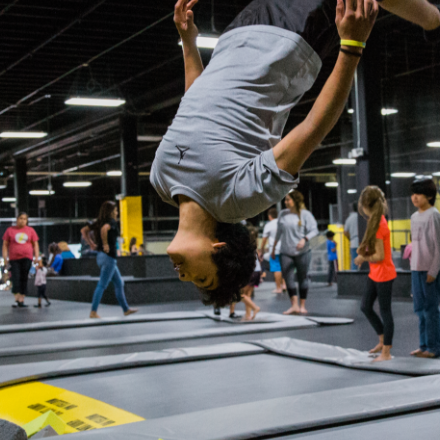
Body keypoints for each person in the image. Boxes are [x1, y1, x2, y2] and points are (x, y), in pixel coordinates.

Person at [153, 0, 439, 309]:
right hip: (290, 38)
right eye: (201, 279)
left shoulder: (160, 180)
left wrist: (188, 44)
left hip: (236, 34)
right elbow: (311, 128)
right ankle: (434, 22)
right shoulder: (237, 199)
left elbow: (196, 102)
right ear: (218, 249)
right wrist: (352, 46)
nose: (184, 276)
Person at [352, 186, 397, 362]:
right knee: (365, 306)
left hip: (384, 274)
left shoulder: (379, 224)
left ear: (365, 205)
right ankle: (381, 340)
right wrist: (364, 250)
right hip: (375, 274)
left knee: (386, 312)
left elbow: (380, 256)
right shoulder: (375, 220)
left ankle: (386, 353)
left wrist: (362, 258)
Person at [87, 201, 139, 319]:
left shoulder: (99, 222)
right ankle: (93, 312)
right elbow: (105, 229)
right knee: (102, 285)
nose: (117, 213)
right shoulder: (111, 222)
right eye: (115, 210)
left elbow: (84, 230)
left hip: (100, 256)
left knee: (119, 283)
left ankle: (126, 309)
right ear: (111, 212)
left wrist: (90, 243)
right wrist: (105, 244)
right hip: (109, 258)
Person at [271, 191, 318, 315]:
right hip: (286, 251)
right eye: (285, 200)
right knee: (288, 278)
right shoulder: (282, 214)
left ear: (295, 201)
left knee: (303, 278)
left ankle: (302, 305)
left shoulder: (305, 214)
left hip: (302, 252)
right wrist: (273, 248)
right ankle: (294, 305)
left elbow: (314, 230)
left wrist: (304, 239)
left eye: (288, 200)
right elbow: (278, 232)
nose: (286, 202)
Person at [409, 178, 440, 359]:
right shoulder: (414, 217)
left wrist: (433, 271)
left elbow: (438, 247)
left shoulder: (434, 215)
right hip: (416, 269)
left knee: (430, 311)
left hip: (429, 270)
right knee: (419, 310)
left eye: (418, 194)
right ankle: (423, 345)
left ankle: (434, 347)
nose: (414, 197)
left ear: (429, 195)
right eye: (412, 194)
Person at [2, 212, 40, 308]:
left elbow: (35, 244)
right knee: (15, 277)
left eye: (24, 219)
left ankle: (21, 299)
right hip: (14, 258)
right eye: (21, 218)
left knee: (24, 278)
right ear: (17, 219)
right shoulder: (10, 230)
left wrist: (36, 257)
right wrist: (5, 258)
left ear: (26, 221)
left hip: (27, 257)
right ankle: (16, 298)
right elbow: (5, 245)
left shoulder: (30, 230)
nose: (22, 220)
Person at [230, 225, 263, 320]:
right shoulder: (255, 245)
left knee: (240, 294)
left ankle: (255, 307)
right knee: (248, 295)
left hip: (249, 271)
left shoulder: (244, 246)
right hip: (256, 271)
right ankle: (248, 315)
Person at [260, 208, 285, 293]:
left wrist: (261, 250)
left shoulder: (269, 225)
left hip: (274, 250)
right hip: (285, 249)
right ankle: (284, 285)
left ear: (269, 216)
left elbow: (264, 240)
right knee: (284, 268)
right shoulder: (282, 223)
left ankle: (278, 288)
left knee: (277, 268)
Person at [344, 204, 360, 271]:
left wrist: (350, 238)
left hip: (353, 242)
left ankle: (354, 279)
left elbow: (345, 232)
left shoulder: (349, 218)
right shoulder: (361, 217)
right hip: (362, 242)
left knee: (354, 262)